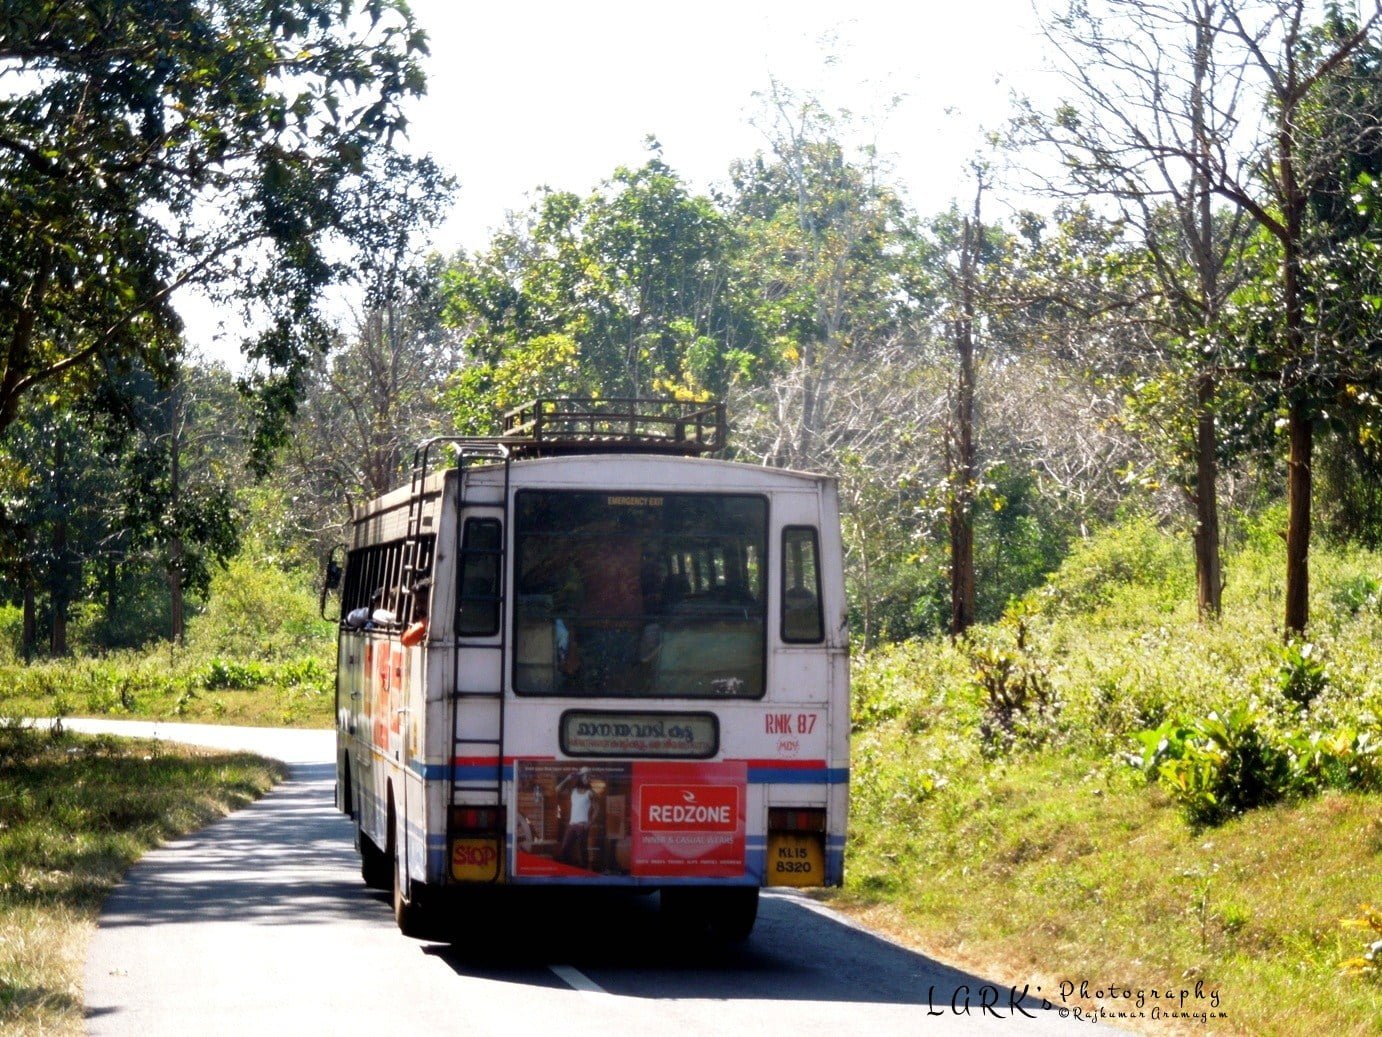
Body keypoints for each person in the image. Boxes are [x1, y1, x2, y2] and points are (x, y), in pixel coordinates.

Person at [555, 767, 598, 868]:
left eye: (589, 777)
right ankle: (570, 871)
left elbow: (597, 809)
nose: (589, 779)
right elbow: (557, 789)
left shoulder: (590, 793)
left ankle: (585, 873)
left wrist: (590, 823)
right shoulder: (573, 791)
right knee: (565, 849)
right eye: (587, 776)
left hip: (582, 826)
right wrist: (567, 778)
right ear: (581, 777)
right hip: (572, 825)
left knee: (582, 851)